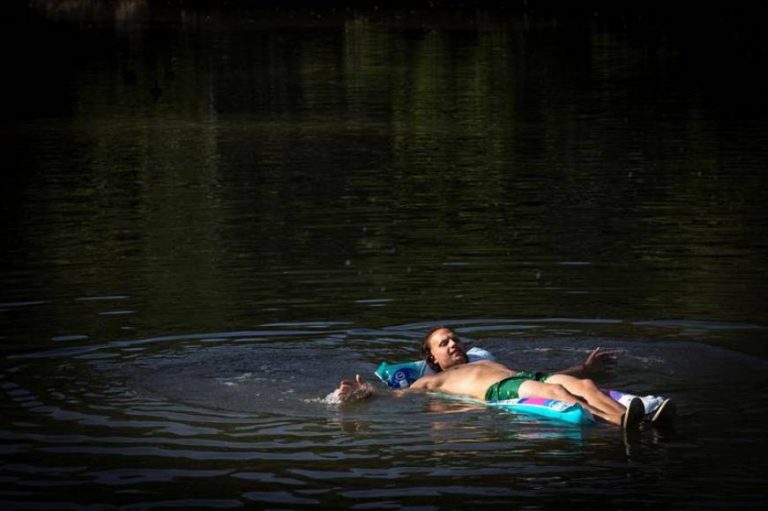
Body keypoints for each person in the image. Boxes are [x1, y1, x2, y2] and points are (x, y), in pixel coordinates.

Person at [336, 326, 652, 431]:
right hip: (499, 389)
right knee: (557, 390)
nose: (453, 344)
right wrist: (363, 391)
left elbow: (536, 378)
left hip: (520, 377)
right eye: (444, 343)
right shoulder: (431, 381)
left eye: (455, 338)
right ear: (432, 358)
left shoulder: (482, 359)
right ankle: (619, 423)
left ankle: (633, 417)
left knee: (584, 386)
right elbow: (396, 396)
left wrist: (583, 368)